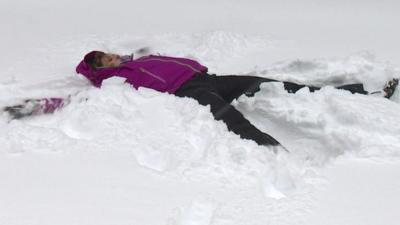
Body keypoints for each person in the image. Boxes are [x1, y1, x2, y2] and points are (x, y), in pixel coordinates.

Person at [72, 51, 398, 148]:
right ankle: (273, 151)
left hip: (206, 79)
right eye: (105, 62)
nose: (112, 59)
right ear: (99, 70)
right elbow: (110, 98)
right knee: (233, 121)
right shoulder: (113, 81)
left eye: (109, 56)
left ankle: (360, 93)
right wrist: (95, 75)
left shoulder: (137, 61)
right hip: (188, 92)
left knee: (268, 84)